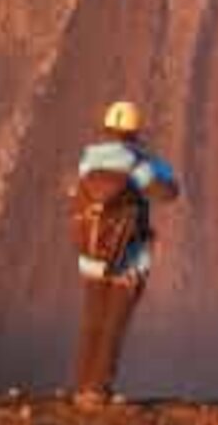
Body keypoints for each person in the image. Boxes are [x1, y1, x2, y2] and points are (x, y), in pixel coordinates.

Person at [70, 100, 180, 408]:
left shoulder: (87, 162)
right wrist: (155, 165)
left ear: (107, 129)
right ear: (133, 132)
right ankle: (98, 390)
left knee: (92, 321)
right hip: (128, 261)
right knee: (113, 325)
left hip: (91, 259)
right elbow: (169, 192)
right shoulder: (138, 164)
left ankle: (81, 386)